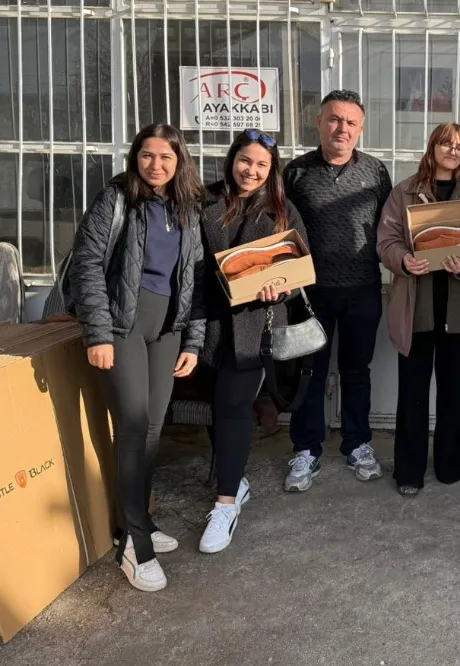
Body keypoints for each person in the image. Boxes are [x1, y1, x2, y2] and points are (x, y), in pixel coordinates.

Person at [69, 123, 205, 592]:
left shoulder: (187, 207)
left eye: (166, 157)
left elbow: (195, 279)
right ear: (135, 157)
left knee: (151, 429)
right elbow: (87, 263)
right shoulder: (116, 199)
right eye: (147, 155)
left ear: (179, 161)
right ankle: (135, 546)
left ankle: (136, 521)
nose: (156, 165)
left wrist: (192, 341)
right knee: (132, 425)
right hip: (121, 326)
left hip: (166, 330)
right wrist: (98, 333)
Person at [198, 129, 308, 554]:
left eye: (262, 165)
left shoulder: (282, 210)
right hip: (206, 324)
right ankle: (235, 479)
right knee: (217, 405)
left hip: (254, 326)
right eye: (246, 160)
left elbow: (299, 272)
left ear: (271, 170)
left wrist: (280, 288)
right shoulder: (204, 201)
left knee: (232, 405)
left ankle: (225, 503)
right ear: (232, 160)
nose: (252, 170)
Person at [376, 122, 460, 497]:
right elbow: (386, 241)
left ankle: (448, 465)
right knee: (412, 392)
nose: (452, 151)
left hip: (458, 311)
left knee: (451, 391)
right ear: (432, 147)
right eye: (446, 144)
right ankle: (409, 471)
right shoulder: (404, 191)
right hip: (417, 309)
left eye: (459, 147)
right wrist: (403, 260)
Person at [283, 90, 393, 491]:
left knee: (356, 370)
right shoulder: (295, 173)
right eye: (334, 119)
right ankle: (306, 448)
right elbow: (280, 230)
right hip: (310, 292)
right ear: (319, 122)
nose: (341, 128)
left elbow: (389, 227)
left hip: (363, 288)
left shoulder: (376, 172)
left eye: (350, 122)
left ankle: (357, 443)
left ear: (360, 129)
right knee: (309, 371)